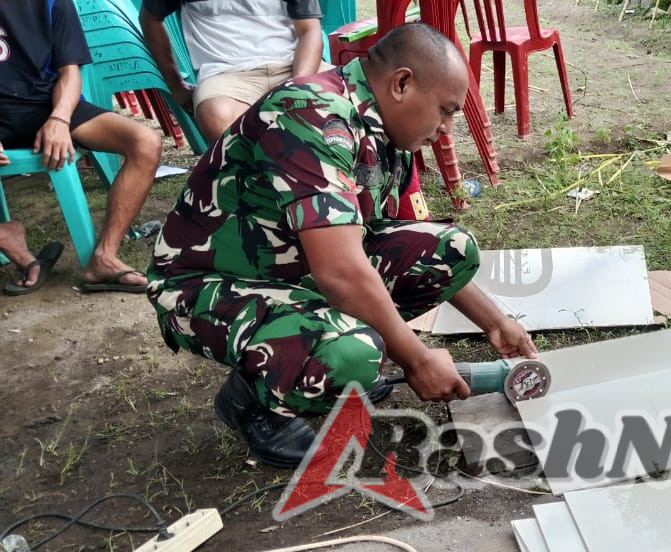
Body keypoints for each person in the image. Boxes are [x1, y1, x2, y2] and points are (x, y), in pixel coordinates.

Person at [146, 22, 538, 469]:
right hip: (204, 285)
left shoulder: (385, 128)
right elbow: (341, 272)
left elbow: (410, 234)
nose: (446, 129)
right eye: (445, 111)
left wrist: (496, 323)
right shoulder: (311, 116)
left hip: (291, 268)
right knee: (355, 350)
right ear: (402, 83)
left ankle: (311, 342)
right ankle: (253, 403)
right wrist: (417, 357)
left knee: (451, 250)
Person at [0, 0, 163, 295]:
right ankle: (13, 244)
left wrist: (59, 117)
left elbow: (69, 71)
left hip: (46, 104)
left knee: (145, 142)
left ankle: (104, 258)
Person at [139, 0, 328, 142]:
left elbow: (310, 30)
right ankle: (259, 181)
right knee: (217, 117)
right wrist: (175, 85)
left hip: (295, 64)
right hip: (226, 73)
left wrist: (297, 87)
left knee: (345, 103)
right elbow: (150, 18)